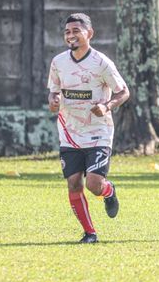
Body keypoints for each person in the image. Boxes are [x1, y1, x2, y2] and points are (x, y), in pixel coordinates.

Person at [47, 13, 130, 243]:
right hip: (69, 131)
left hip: (98, 132)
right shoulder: (58, 62)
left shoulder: (101, 63)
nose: (71, 35)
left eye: (76, 31)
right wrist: (53, 100)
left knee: (94, 184)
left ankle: (108, 191)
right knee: (74, 182)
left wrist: (107, 105)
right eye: (67, 32)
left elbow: (123, 92)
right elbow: (53, 91)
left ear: (89, 34)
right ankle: (90, 233)